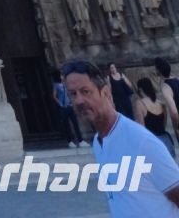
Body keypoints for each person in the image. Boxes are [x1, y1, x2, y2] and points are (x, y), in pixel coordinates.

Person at [63, 58, 179, 213]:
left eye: (86, 92)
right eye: (72, 94)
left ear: (105, 93)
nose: (79, 101)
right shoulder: (99, 143)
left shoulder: (140, 141)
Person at [137, 78, 175, 149]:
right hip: (166, 141)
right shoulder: (160, 103)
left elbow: (142, 128)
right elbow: (164, 124)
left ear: (140, 90)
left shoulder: (140, 103)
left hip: (152, 142)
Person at [52, 68, 82, 146]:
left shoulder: (66, 84)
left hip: (70, 105)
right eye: (61, 75)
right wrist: (60, 104)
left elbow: (71, 93)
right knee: (66, 124)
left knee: (75, 123)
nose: (62, 76)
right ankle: (70, 141)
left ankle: (80, 140)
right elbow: (54, 96)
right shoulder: (56, 85)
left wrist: (73, 102)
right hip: (63, 107)